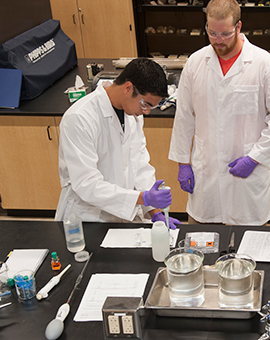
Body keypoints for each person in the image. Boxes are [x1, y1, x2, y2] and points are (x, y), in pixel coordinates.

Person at [168, 0, 270, 225]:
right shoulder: (195, 63)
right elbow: (184, 116)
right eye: (212, 33)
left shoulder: (263, 63)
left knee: (250, 248)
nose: (218, 40)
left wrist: (256, 157)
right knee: (203, 243)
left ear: (238, 26)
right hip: (207, 173)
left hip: (246, 177)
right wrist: (183, 163)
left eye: (224, 34)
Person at [55, 58, 181, 228]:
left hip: (125, 216)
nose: (146, 112)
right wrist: (142, 198)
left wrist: (154, 211)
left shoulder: (132, 115)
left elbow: (139, 166)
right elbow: (87, 184)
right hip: (89, 218)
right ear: (128, 88)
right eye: (145, 104)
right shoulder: (80, 118)